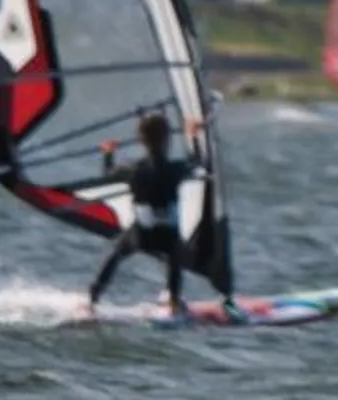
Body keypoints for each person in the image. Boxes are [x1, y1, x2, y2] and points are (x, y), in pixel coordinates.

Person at [88, 109, 237, 318]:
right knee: (174, 256)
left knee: (116, 254)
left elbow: (108, 174)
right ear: (167, 139)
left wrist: (108, 153)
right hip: (167, 236)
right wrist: (193, 135)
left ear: (141, 139)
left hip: (141, 234)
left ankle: (93, 299)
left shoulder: (133, 168)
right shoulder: (175, 169)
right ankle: (174, 302)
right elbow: (197, 162)